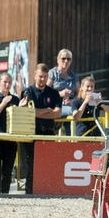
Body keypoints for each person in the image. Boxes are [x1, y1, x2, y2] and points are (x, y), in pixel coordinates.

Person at [19, 63, 64, 194]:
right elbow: (27, 112)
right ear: (34, 76)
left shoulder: (54, 93)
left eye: (45, 77)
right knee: (30, 165)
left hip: (48, 133)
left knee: (47, 164)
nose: (42, 79)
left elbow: (58, 113)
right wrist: (46, 110)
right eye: (40, 76)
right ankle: (29, 192)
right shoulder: (27, 92)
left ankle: (45, 191)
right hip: (30, 132)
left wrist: (37, 112)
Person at [49, 48, 77, 115]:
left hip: (71, 105)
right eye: (63, 58)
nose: (66, 61)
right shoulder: (52, 73)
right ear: (58, 60)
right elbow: (45, 91)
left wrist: (72, 101)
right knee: (73, 112)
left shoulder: (74, 75)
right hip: (56, 105)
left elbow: (80, 92)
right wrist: (60, 94)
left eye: (68, 59)